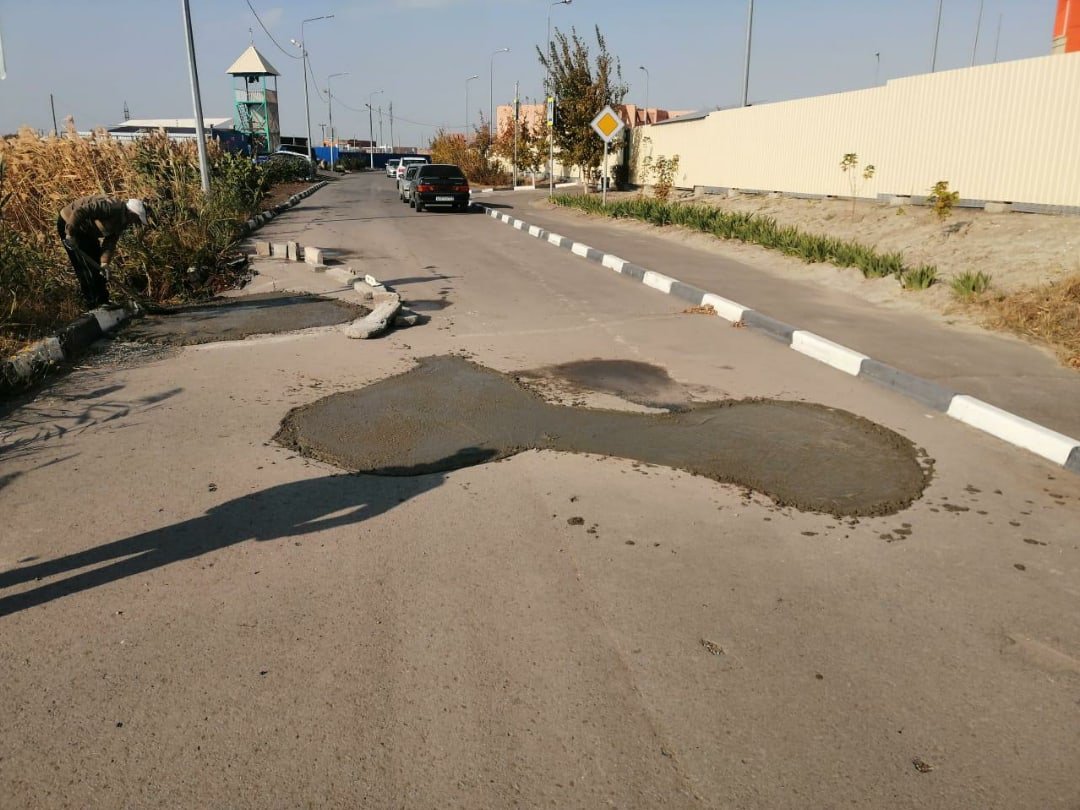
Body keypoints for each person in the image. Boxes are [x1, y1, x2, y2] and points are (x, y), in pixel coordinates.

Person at [56, 196, 152, 308]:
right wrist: (70, 234)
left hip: (87, 231)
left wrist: (104, 263)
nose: (135, 223)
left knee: (98, 266)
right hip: (69, 224)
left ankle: (103, 301)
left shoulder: (122, 222)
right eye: (136, 219)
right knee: (86, 266)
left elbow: (110, 243)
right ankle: (93, 303)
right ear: (132, 213)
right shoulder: (111, 207)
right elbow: (80, 212)